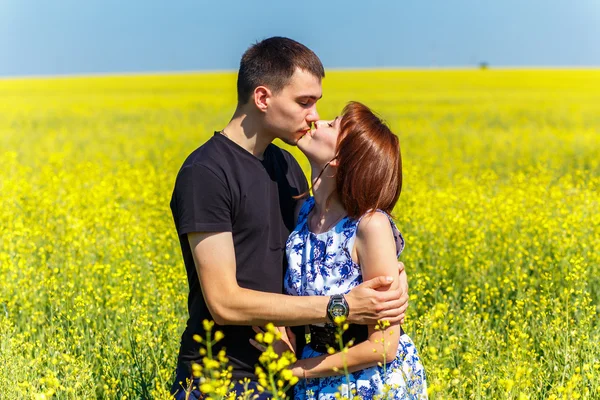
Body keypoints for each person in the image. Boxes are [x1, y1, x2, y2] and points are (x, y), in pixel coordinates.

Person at [169, 37, 410, 399]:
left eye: (316, 104)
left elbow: (332, 243)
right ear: (263, 98)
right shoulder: (206, 172)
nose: (313, 116)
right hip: (219, 377)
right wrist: (342, 307)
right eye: (304, 102)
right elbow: (223, 301)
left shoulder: (287, 168)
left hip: (286, 377)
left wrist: (391, 285)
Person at [277, 102, 428, 398]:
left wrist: (298, 370)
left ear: (340, 160)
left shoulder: (369, 226)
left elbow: (383, 347)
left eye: (332, 126)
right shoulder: (302, 212)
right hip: (316, 377)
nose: (317, 123)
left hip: (368, 384)